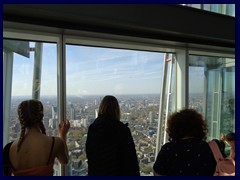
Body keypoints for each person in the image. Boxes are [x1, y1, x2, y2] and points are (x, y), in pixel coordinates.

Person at [3, 99, 70, 176]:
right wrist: (63, 135)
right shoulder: (55, 143)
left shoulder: (8, 149)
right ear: (42, 116)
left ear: (20, 119)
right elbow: (65, 161)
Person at [86, 95, 140, 176]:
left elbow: (90, 155)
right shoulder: (122, 131)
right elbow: (131, 162)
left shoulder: (93, 129)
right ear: (117, 109)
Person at [153, 108, 216, 176]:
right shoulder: (208, 148)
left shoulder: (168, 149)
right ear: (199, 127)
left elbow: (157, 173)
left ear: (174, 128)